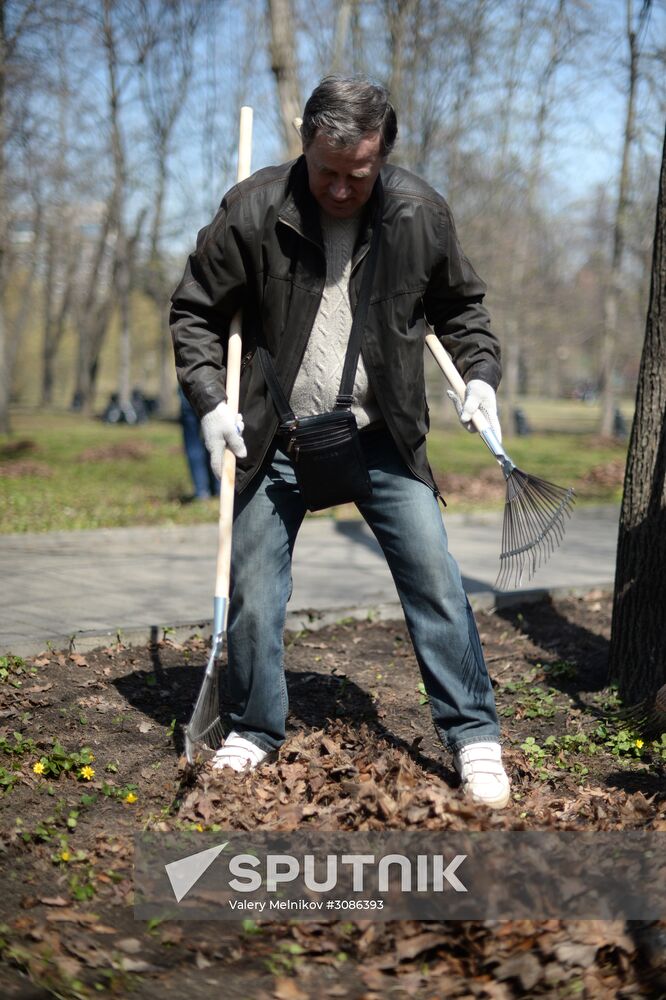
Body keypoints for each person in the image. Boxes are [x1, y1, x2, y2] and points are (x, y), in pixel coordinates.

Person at [170, 77, 511, 809]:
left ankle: (474, 734)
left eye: (358, 174)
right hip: (274, 434)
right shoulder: (253, 210)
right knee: (255, 597)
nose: (340, 188)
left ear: (383, 154)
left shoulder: (418, 214)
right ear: (305, 141)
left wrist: (480, 377)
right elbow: (196, 312)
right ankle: (254, 728)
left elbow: (462, 311)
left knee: (436, 579)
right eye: (326, 170)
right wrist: (208, 402)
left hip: (380, 433)